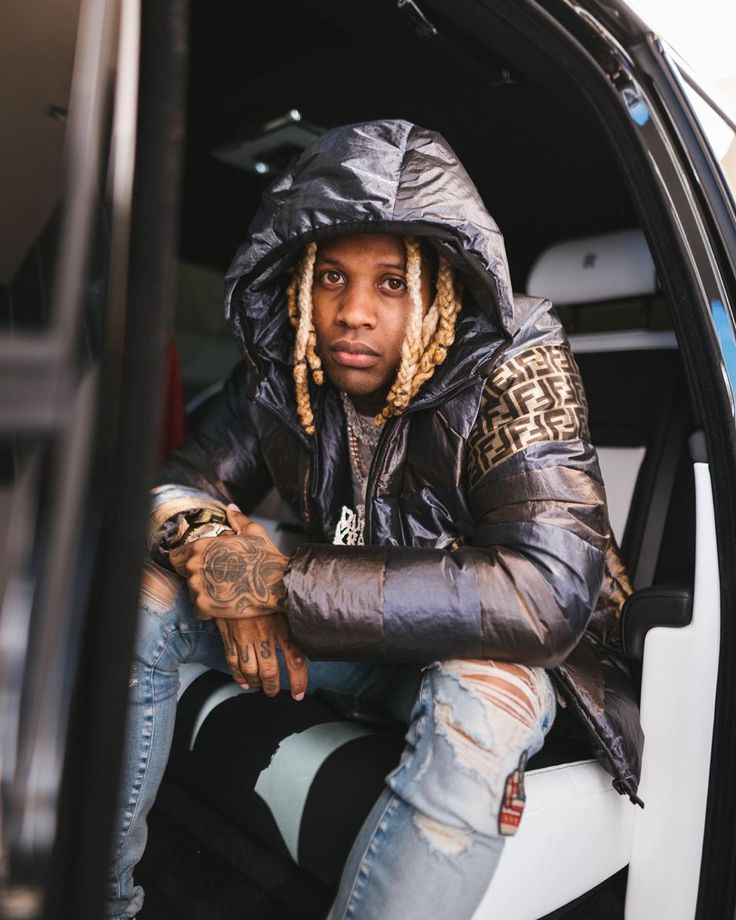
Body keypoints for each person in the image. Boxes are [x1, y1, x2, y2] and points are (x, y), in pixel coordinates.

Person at [108, 119, 643, 920]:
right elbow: (174, 485)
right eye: (331, 278)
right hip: (349, 639)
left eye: (392, 282)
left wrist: (278, 586)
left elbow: (546, 593)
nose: (353, 312)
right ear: (300, 282)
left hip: (498, 653)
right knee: (144, 593)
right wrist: (216, 544)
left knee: (483, 702)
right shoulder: (291, 370)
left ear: (440, 284)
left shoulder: (512, 354)